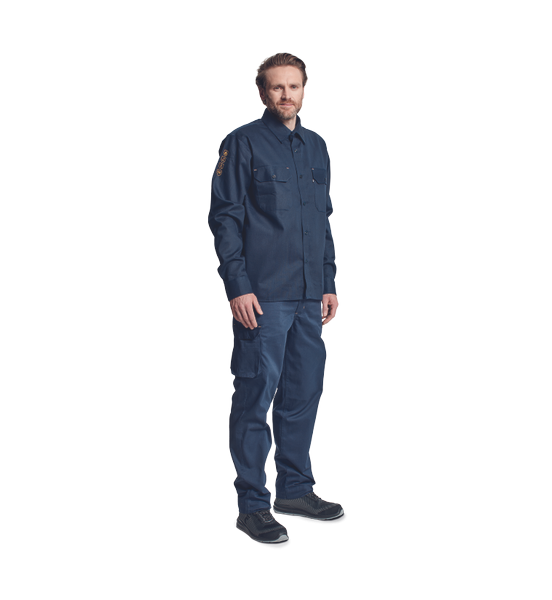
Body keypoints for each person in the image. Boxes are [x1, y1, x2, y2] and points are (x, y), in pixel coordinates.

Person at [208, 53, 343, 544]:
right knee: (255, 396)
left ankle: (295, 489)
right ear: (262, 91)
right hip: (263, 296)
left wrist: (327, 281)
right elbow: (225, 218)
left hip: (308, 297)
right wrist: (237, 286)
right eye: (277, 87)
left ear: (304, 89)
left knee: (303, 393)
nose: (286, 95)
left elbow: (322, 220)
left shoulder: (316, 146)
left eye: (294, 86)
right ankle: (252, 506)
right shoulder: (242, 142)